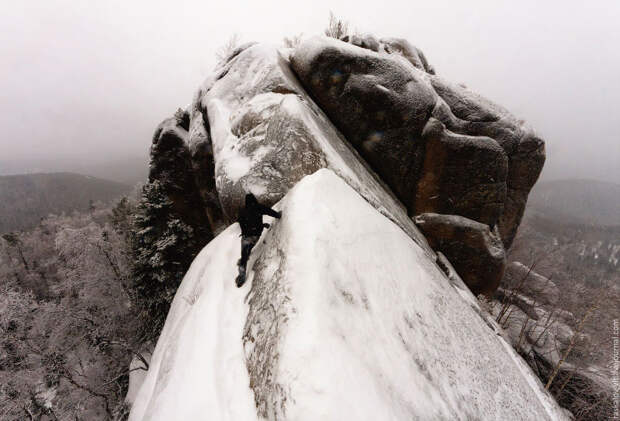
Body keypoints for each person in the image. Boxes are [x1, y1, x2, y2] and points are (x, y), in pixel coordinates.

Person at [236, 193, 282, 287]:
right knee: (250, 246)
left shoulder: (242, 211)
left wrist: (245, 231)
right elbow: (269, 211)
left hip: (246, 236)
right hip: (256, 235)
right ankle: (245, 256)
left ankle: (242, 275)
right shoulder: (258, 207)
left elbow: (242, 222)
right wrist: (277, 215)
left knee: (244, 253)